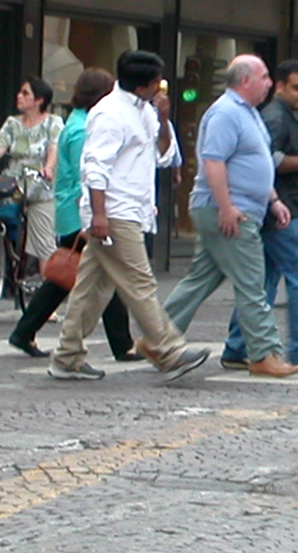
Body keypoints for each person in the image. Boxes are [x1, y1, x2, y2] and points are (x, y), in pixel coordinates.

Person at [49, 50, 209, 381]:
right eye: (157, 83)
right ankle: (167, 348)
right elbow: (95, 166)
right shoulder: (109, 113)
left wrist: (164, 119)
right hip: (115, 210)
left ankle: (67, 354)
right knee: (139, 281)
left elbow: (165, 155)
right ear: (143, 86)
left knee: (93, 287)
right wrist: (100, 213)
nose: (161, 89)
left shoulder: (146, 112)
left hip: (130, 209)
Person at [162, 55, 298, 378]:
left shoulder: (248, 113)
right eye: (264, 77)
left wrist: (273, 199)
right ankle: (263, 353)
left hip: (240, 207)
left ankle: (158, 337)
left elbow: (253, 162)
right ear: (245, 81)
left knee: (201, 279)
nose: (270, 83)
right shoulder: (226, 113)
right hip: (229, 210)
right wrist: (225, 207)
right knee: (252, 280)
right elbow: (214, 162)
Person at [8, 68, 141, 361]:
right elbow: (89, 175)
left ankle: (24, 331)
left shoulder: (77, 123)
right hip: (80, 211)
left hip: (71, 209)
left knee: (64, 277)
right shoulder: (84, 129)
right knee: (103, 276)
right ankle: (120, 344)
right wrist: (94, 215)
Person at [220, 59, 298, 371]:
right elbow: (267, 161)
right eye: (296, 87)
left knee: (262, 281)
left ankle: (238, 345)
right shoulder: (275, 118)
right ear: (279, 87)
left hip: (279, 206)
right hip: (279, 212)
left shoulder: (282, 117)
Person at [0, 77, 63, 278]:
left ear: (39, 100)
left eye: (25, 93)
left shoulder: (53, 122)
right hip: (14, 181)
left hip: (40, 183)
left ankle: (46, 298)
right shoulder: (12, 123)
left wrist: (48, 168)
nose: (19, 96)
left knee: (44, 242)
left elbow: (54, 147)